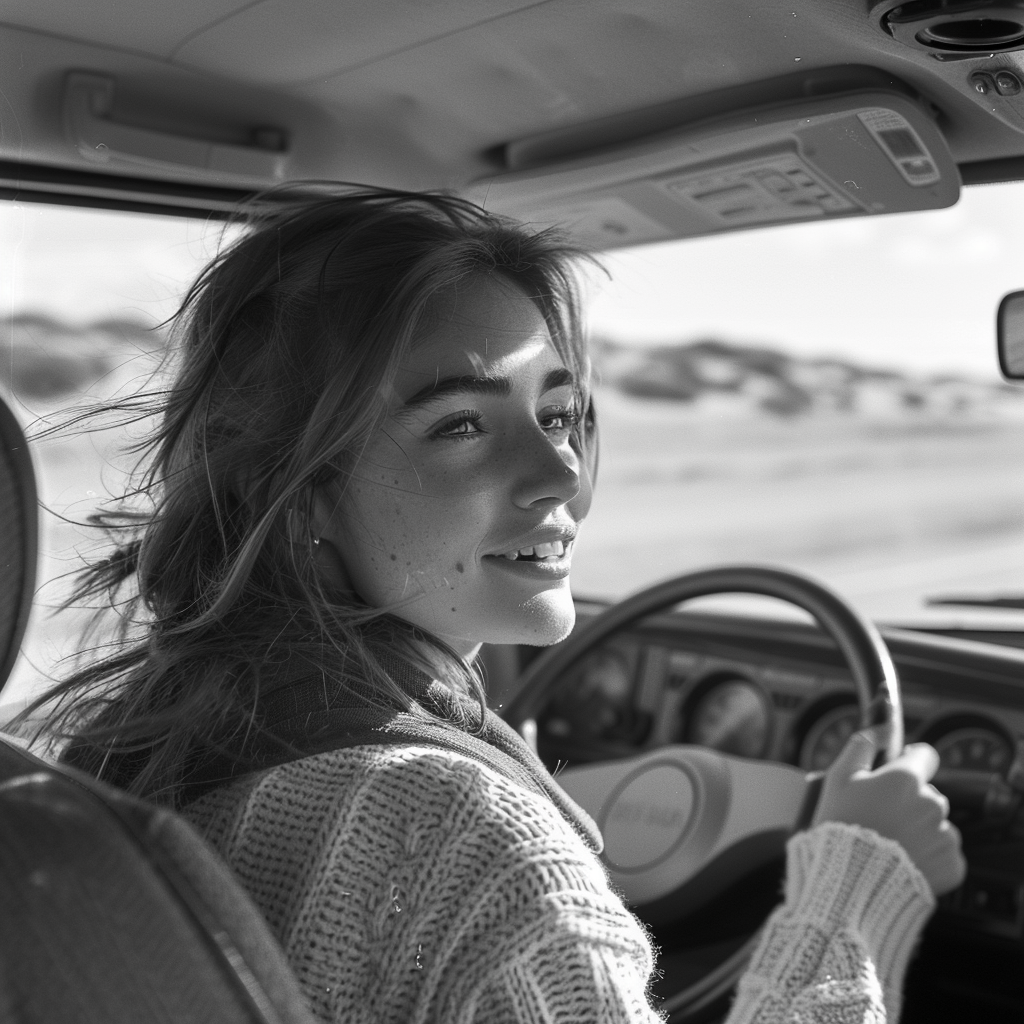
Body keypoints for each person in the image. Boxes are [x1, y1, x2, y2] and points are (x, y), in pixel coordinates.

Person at [33, 186, 964, 1023]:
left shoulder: (129, 749)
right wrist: (854, 878)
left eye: (559, 416)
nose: (560, 472)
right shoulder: (468, 844)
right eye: (462, 425)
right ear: (302, 490)